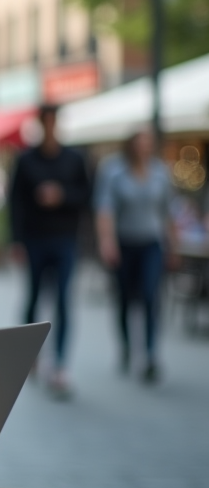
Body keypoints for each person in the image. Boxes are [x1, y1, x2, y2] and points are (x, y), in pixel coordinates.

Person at [7, 103, 91, 396]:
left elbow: (85, 196)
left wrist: (62, 195)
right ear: (41, 124)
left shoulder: (74, 159)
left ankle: (60, 365)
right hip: (34, 239)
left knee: (63, 300)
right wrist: (15, 240)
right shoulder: (26, 160)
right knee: (33, 298)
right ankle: (29, 357)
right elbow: (15, 201)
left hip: (64, 239)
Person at [94, 128, 179, 383]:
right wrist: (107, 241)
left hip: (152, 243)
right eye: (141, 142)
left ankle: (151, 355)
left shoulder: (160, 172)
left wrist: (173, 245)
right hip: (124, 243)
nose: (145, 147)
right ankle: (127, 347)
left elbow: (168, 211)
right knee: (124, 299)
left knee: (152, 297)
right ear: (131, 145)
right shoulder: (114, 171)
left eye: (149, 142)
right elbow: (105, 208)